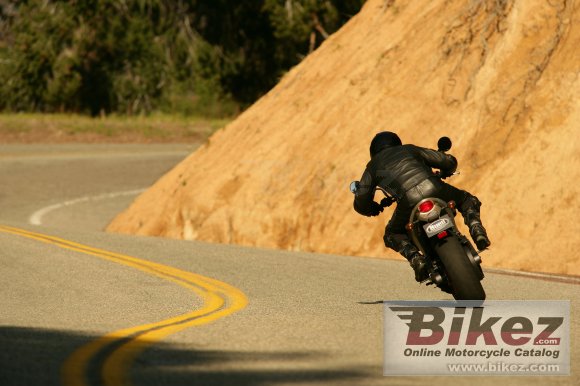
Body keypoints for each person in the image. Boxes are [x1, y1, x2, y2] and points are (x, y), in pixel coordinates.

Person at [353, 131, 491, 282]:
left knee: (392, 234)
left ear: (373, 152)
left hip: (408, 202)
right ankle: (476, 227)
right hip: (434, 188)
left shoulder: (373, 166)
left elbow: (361, 200)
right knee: (467, 200)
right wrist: (446, 171)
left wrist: (372, 208)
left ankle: (415, 258)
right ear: (397, 143)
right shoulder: (409, 149)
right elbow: (447, 160)